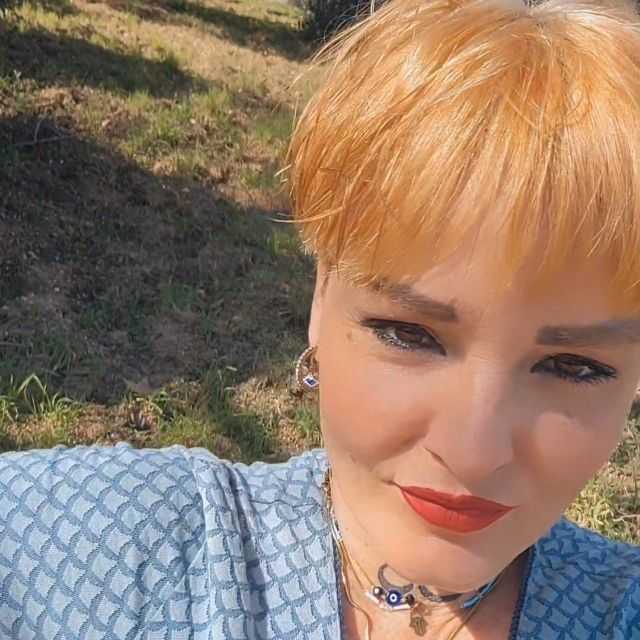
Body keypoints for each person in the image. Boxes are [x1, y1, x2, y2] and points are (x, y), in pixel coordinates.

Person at [1, 0, 640, 637]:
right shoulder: (105, 545)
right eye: (409, 334)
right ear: (321, 296)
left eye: (573, 367)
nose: (474, 454)